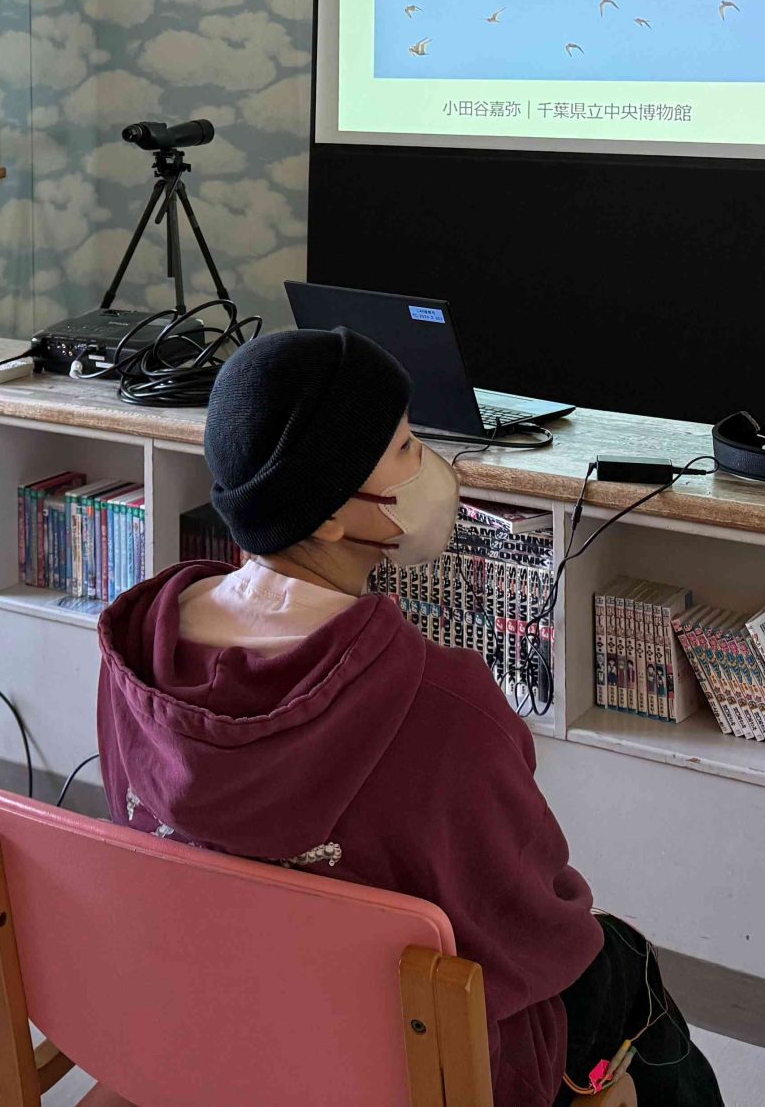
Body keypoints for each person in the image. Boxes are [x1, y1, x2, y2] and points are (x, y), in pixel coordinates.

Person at [96, 328, 723, 1107]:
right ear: (330, 518)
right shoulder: (441, 704)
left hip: (211, 1029)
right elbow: (534, 924)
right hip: (413, 1071)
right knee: (621, 965)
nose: (429, 466)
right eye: (403, 448)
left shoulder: (137, 656)